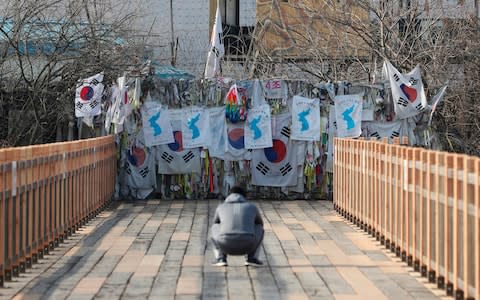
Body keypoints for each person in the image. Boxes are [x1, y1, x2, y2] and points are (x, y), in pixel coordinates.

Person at [210, 185, 264, 266]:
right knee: (259, 227)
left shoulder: (221, 207)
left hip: (225, 244)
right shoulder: (252, 207)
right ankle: (252, 258)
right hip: (248, 244)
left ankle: (221, 257)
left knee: (215, 226)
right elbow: (260, 223)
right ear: (244, 196)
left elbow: (215, 223)